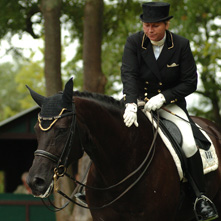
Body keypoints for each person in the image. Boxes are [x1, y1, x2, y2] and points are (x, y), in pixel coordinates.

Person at [121, 2, 218, 220]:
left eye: (155, 26)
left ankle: (200, 197)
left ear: (166, 23)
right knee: (110, 128)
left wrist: (164, 97)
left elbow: (190, 82)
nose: (149, 30)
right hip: (135, 102)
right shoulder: (134, 42)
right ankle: (90, 188)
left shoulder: (181, 45)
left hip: (169, 104)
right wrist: (129, 102)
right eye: (146, 25)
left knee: (190, 143)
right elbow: (128, 74)